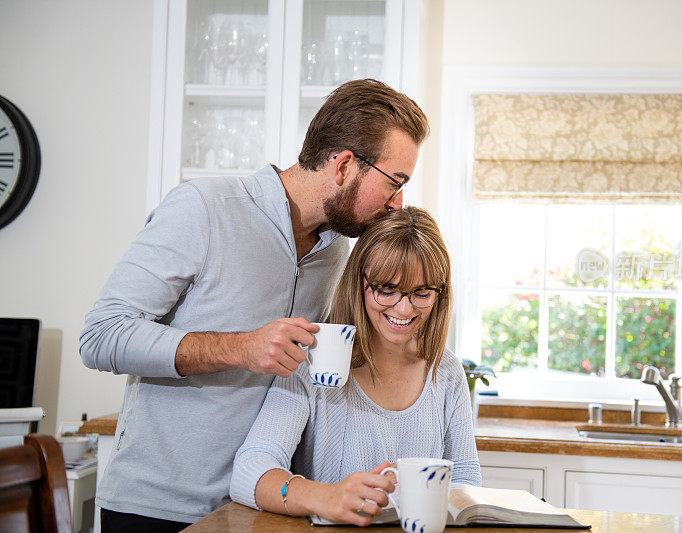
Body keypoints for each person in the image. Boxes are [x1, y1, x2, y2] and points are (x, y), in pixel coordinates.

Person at [79, 79, 429, 531]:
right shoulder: (203, 209)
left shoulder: (334, 251)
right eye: (394, 183)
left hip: (260, 511)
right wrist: (240, 348)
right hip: (158, 509)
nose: (396, 203)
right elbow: (101, 335)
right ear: (343, 165)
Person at [229, 207, 481, 526]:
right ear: (359, 283)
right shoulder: (313, 359)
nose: (404, 308)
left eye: (421, 292)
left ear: (439, 294)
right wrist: (322, 496)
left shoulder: (445, 371)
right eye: (386, 289)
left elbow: (466, 479)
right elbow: (250, 470)